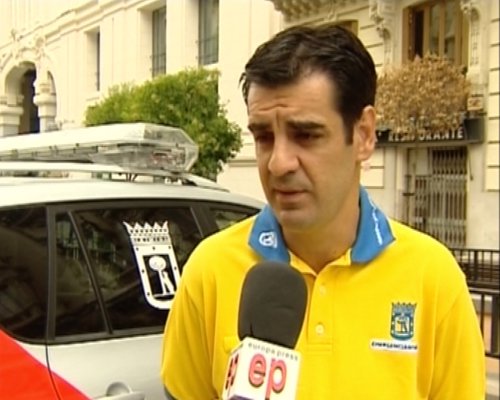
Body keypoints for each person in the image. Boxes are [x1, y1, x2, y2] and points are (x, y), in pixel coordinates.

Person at [160, 24, 485, 399]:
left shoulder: (434, 279)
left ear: (363, 135)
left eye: (306, 135)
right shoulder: (209, 271)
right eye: (264, 137)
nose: (279, 163)